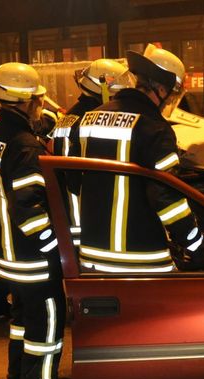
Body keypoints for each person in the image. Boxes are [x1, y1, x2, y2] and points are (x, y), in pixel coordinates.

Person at [78, 44, 204, 379]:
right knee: (152, 332)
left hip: (95, 249)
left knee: (112, 329)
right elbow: (167, 197)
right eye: (172, 92)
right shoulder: (155, 129)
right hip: (139, 253)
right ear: (162, 88)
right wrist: (194, 242)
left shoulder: (93, 116)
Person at [0, 62, 68, 379]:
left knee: (21, 315)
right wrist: (54, 250)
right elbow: (28, 209)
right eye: (38, 99)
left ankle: (17, 370)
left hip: (4, 251)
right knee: (47, 315)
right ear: (25, 101)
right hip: (30, 254)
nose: (41, 104)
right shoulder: (24, 145)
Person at [50, 59, 134, 244]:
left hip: (68, 213)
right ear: (103, 89)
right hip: (83, 217)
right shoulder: (89, 120)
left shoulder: (70, 116)